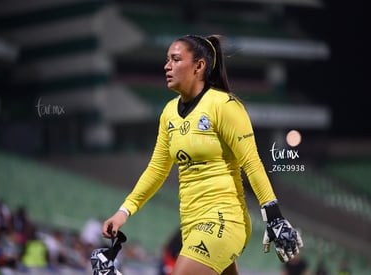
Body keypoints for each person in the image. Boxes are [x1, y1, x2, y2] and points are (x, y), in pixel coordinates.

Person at [102, 34, 303, 275]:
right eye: (167, 60)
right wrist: (123, 212)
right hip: (191, 224)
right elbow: (156, 169)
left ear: (199, 66)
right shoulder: (169, 113)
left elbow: (251, 163)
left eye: (175, 59)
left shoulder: (224, 106)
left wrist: (274, 218)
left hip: (224, 220)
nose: (167, 66)